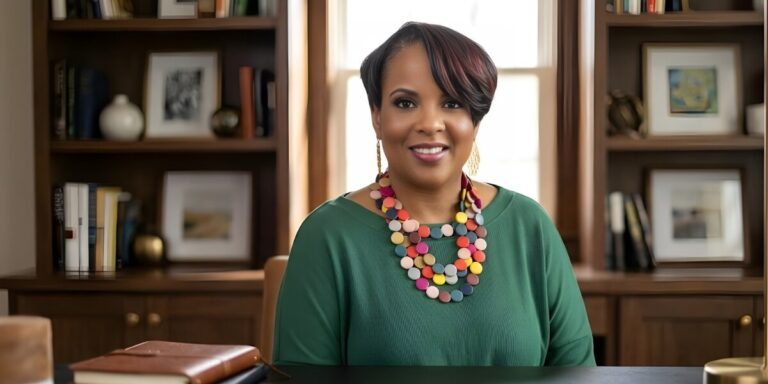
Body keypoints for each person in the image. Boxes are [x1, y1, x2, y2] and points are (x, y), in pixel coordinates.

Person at [273, 21, 595, 366]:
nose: (429, 123)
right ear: (376, 116)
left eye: (452, 103)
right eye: (405, 103)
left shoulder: (530, 226)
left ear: (475, 121)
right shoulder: (326, 237)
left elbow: (578, 373)